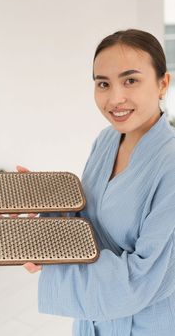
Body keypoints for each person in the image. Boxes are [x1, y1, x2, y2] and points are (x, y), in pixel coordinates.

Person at [18, 29, 175, 335]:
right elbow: (90, 219)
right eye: (103, 83)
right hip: (92, 318)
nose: (115, 98)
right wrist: (45, 209)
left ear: (162, 83)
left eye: (131, 80)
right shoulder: (107, 140)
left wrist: (56, 265)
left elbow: (143, 277)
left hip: (145, 324)